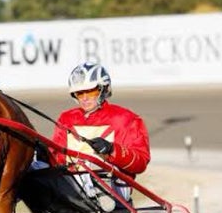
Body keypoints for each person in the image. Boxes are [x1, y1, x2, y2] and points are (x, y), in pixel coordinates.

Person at [51, 62, 151, 203]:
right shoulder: (66, 118)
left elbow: (141, 163)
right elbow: (56, 159)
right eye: (79, 93)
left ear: (103, 89)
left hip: (115, 188)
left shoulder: (126, 119)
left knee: (94, 161)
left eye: (90, 91)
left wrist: (111, 150)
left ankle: (100, 196)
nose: (85, 98)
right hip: (72, 185)